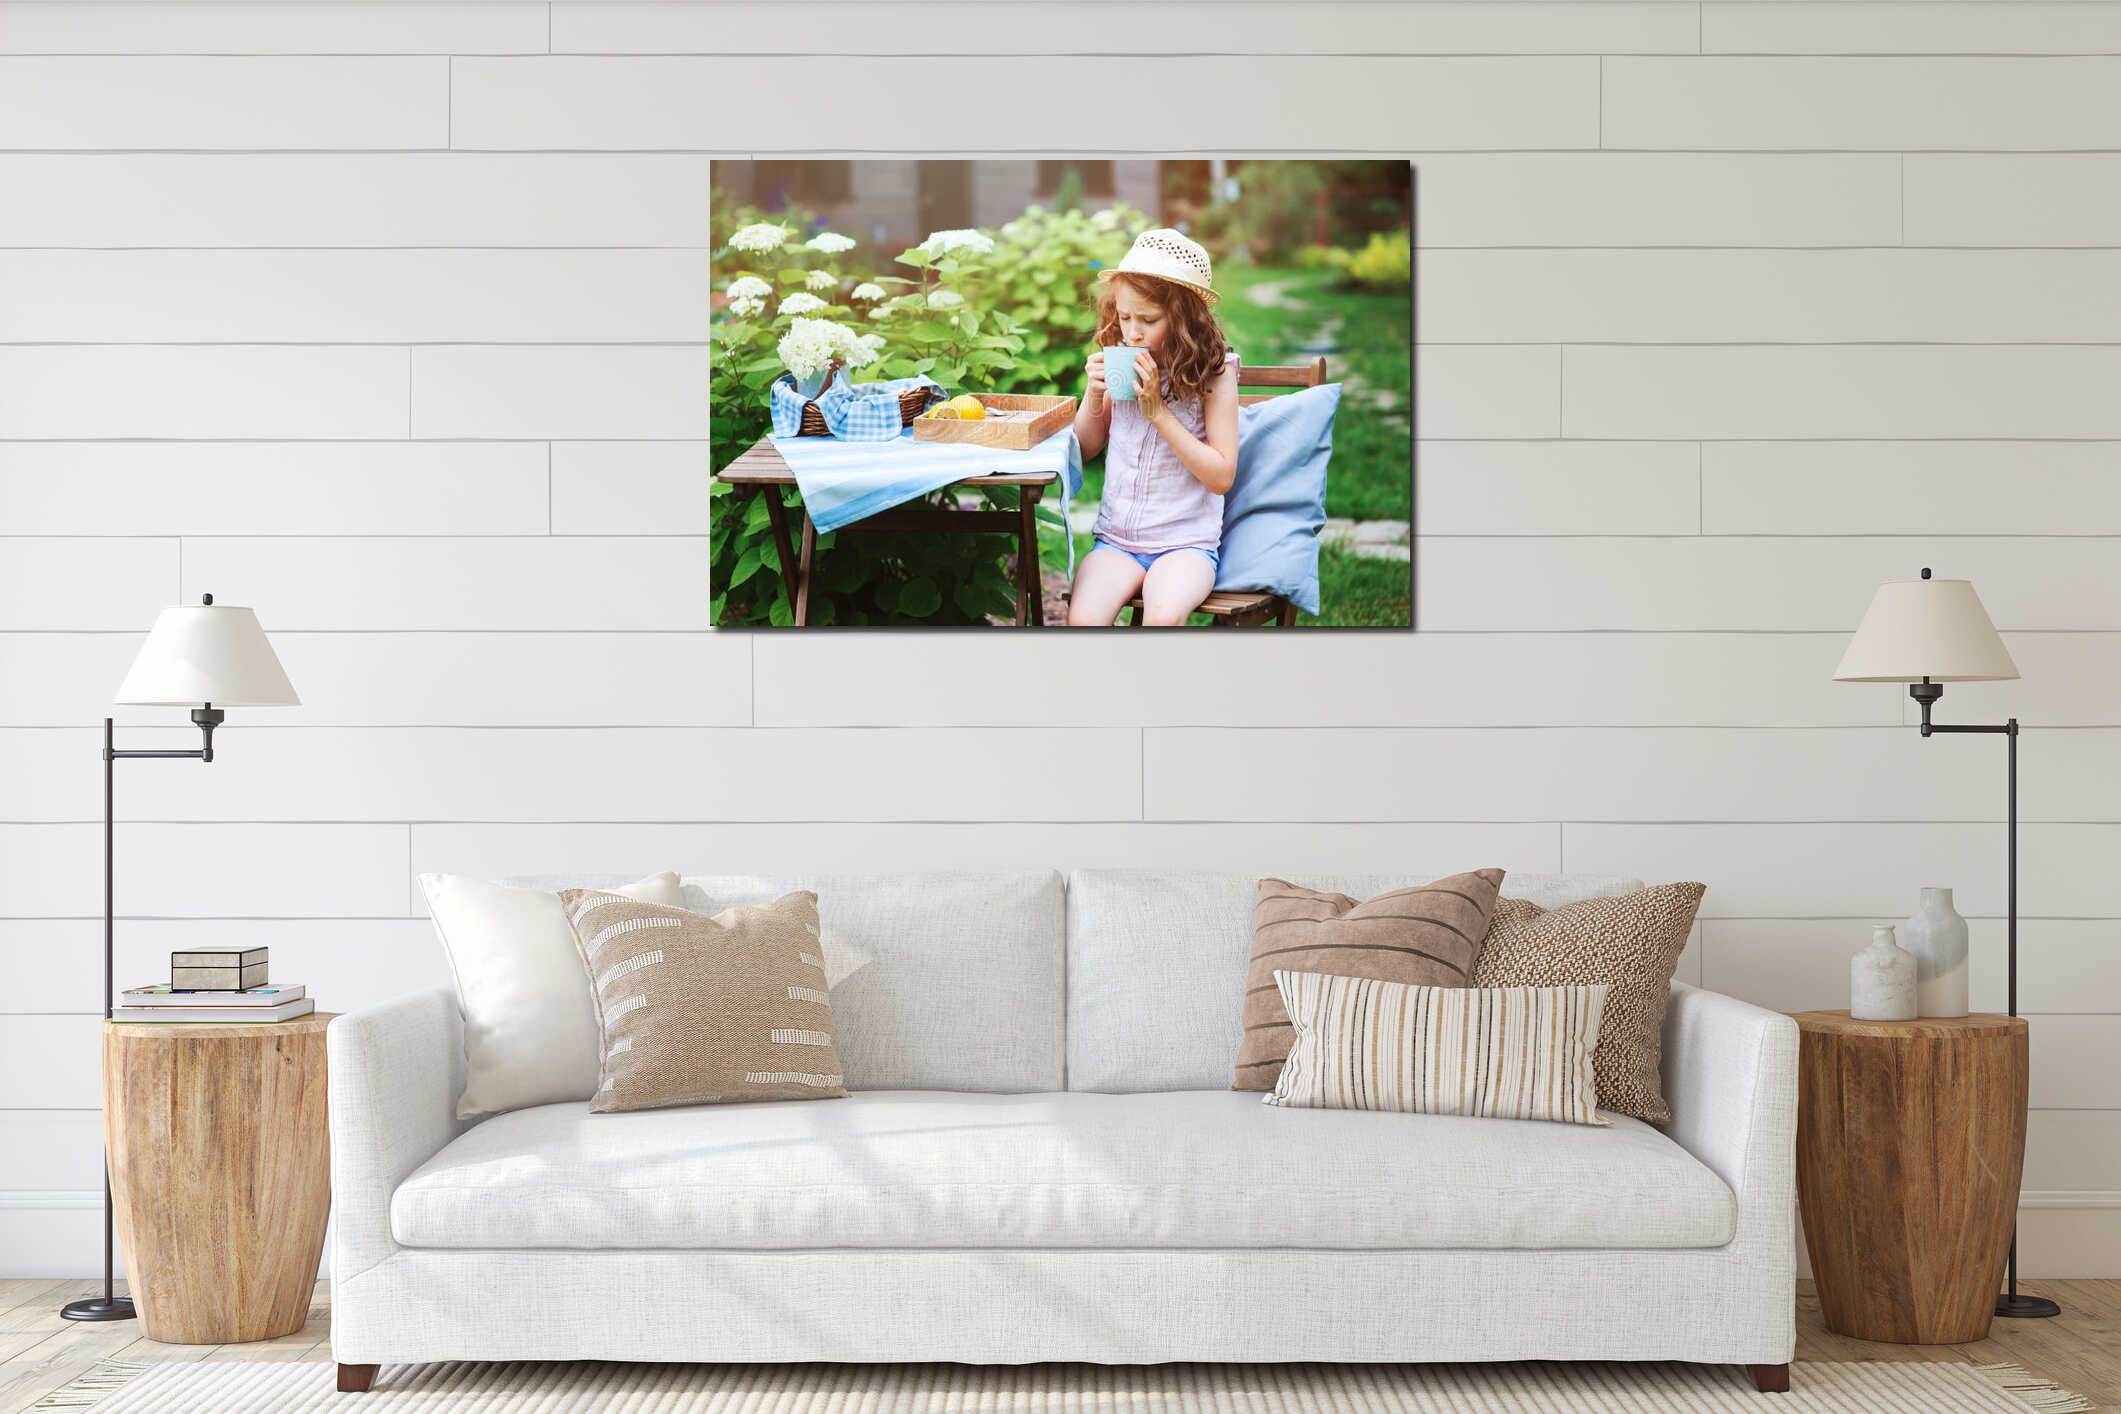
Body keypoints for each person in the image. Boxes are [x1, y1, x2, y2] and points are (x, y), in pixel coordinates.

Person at [1066, 228, 1239, 626]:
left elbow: (1221, 475)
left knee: (1161, 619)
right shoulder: (1124, 357)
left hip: (1185, 546)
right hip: (1118, 542)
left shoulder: (1215, 373)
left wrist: (1158, 413)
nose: (1132, 332)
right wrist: (1093, 396)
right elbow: (1086, 447)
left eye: (1148, 319)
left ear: (1184, 320)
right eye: (1125, 317)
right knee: (1083, 620)